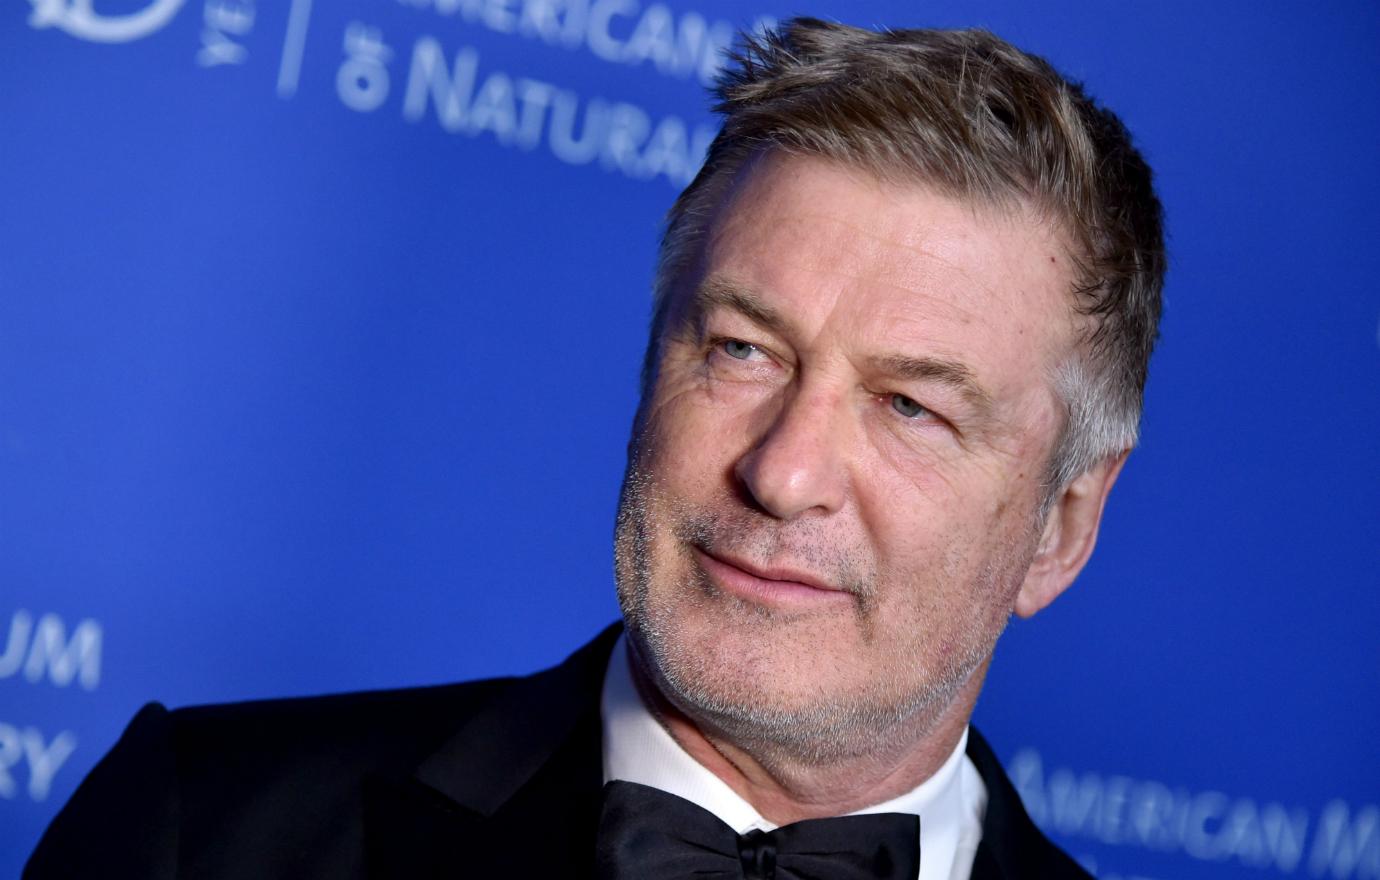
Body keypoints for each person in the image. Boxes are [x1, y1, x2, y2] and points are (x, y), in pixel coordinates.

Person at [26, 17, 1163, 880]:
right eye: (741, 349)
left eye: (910, 406)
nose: (783, 473)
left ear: (1060, 528)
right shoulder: (200, 833)